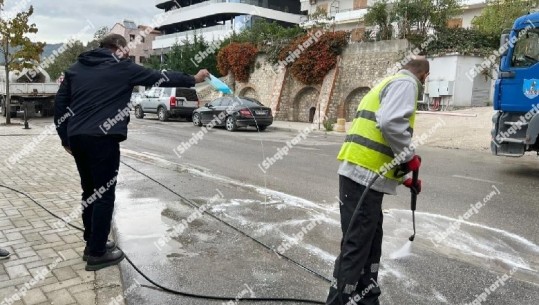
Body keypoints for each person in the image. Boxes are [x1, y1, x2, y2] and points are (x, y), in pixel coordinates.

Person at [54, 34, 210, 271]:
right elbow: (161, 77)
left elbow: (60, 104)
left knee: (89, 192)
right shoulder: (123, 67)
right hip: (103, 138)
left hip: (78, 138)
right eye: (126, 48)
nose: (127, 53)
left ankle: (91, 244)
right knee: (104, 194)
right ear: (118, 48)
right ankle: (97, 253)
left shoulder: (75, 69)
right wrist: (193, 79)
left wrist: (65, 137)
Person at [326, 58, 429, 305]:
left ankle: (366, 299)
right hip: (363, 177)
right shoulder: (407, 83)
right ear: (424, 76)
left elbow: (379, 134)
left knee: (370, 242)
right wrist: (410, 156)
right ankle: (338, 301)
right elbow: (390, 123)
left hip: (364, 175)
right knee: (357, 246)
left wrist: (404, 177)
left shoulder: (388, 82)